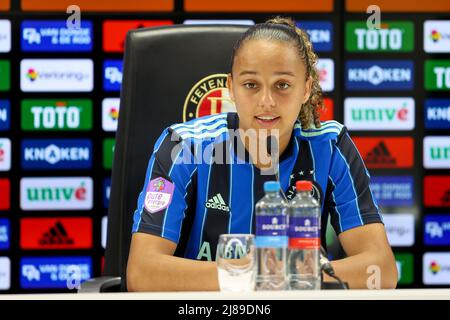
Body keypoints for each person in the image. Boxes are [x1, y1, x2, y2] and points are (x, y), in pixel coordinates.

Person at [126, 17, 398, 291]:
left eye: (282, 85)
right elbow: (143, 272)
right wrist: (261, 273)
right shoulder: (184, 146)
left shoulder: (330, 147)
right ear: (231, 88)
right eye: (251, 85)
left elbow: (381, 270)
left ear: (305, 88)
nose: (266, 102)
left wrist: (276, 274)